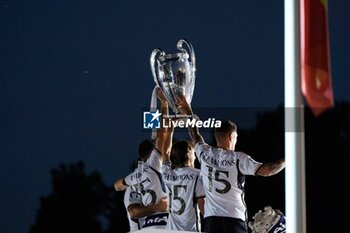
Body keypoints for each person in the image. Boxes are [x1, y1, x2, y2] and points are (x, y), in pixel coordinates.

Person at [177, 96, 285, 233]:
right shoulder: (238, 158)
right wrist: (287, 160)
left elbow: (195, 134)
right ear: (231, 137)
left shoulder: (204, 153)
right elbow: (268, 170)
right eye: (236, 137)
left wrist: (188, 111)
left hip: (211, 220)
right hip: (234, 219)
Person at [114, 87, 169, 230]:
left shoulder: (135, 177)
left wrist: (127, 180)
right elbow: (161, 135)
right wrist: (164, 102)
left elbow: (116, 186)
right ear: (152, 155)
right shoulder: (153, 164)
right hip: (146, 228)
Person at [159, 94, 206, 232]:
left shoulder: (167, 173)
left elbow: (165, 153)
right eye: (193, 153)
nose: (196, 157)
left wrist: (171, 128)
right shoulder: (197, 175)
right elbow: (202, 206)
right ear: (189, 155)